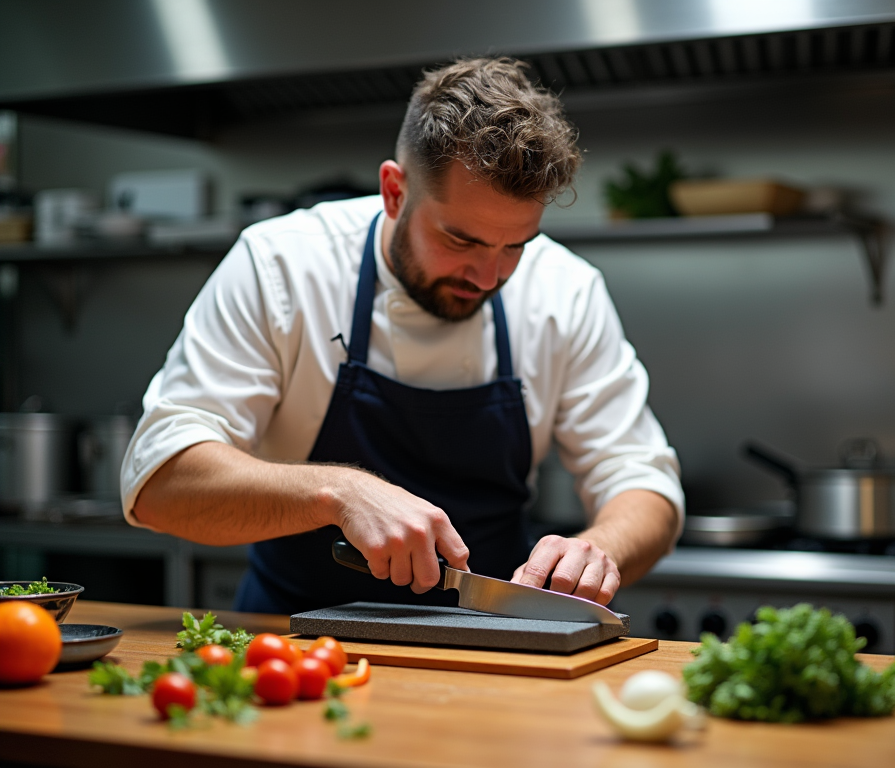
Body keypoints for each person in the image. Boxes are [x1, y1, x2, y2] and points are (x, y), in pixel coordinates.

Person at [122, 57, 683, 615]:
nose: (488, 278)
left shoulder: (566, 289)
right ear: (395, 191)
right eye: (459, 241)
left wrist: (600, 549)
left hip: (502, 647)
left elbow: (642, 480)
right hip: (296, 643)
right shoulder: (283, 266)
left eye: (515, 246)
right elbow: (160, 483)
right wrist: (339, 493)